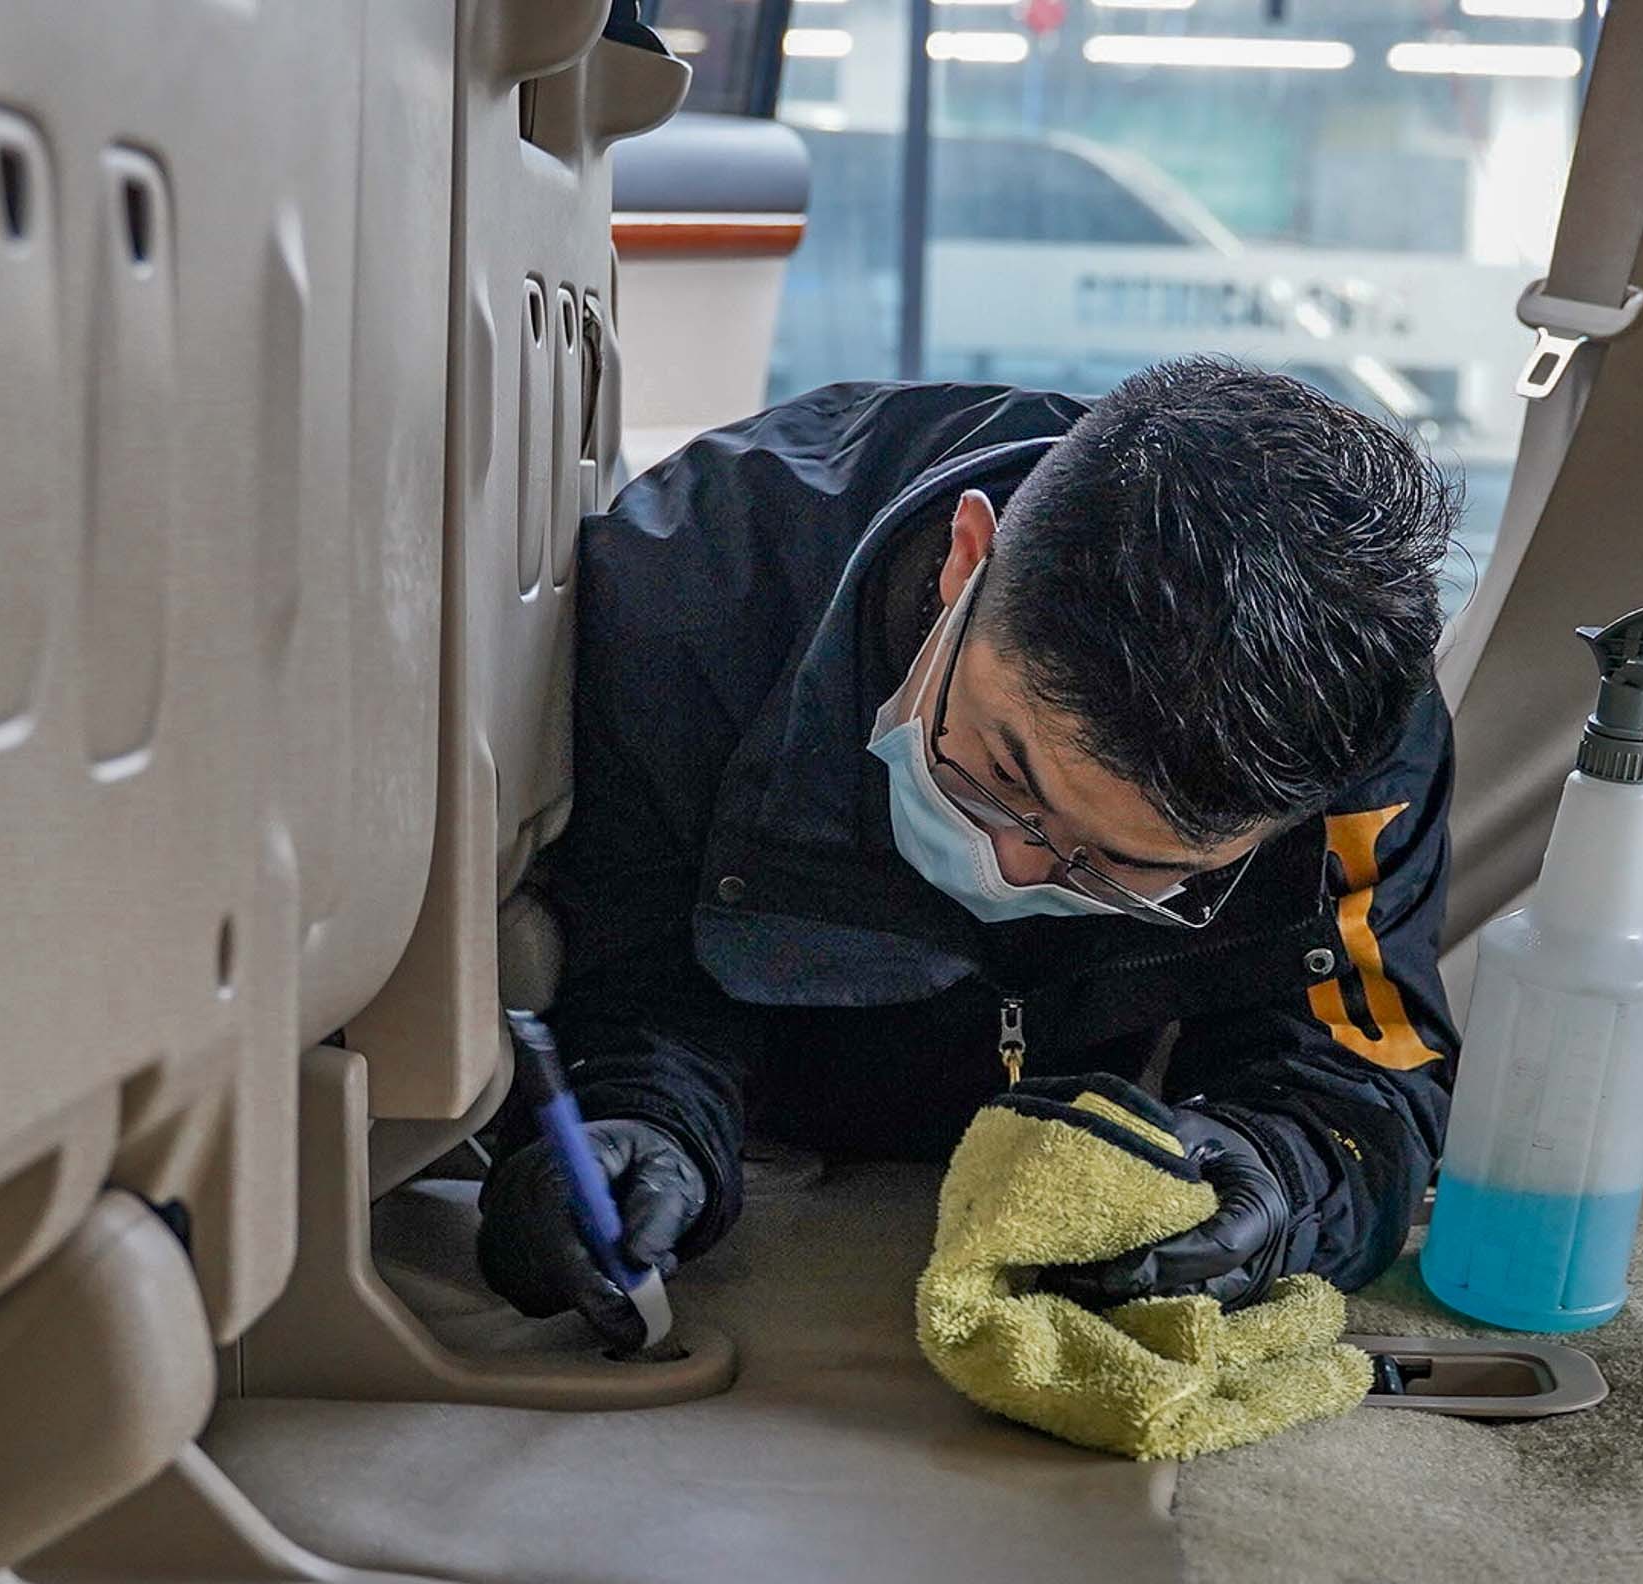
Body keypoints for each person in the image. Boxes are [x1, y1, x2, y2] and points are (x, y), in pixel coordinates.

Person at [476, 358, 1460, 1326]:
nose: (1019, 868)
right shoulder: (688, 593)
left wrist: (1277, 1179)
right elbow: (628, 968)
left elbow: (1362, 1072)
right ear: (965, 560)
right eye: (1003, 775)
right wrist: (647, 1127)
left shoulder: (1353, 733)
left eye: (1135, 870)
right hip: (771, 1122)